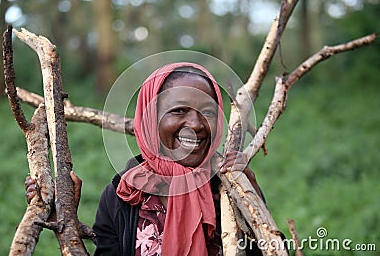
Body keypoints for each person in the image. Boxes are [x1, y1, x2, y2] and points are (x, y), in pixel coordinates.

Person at [26, 62, 264, 256]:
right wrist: (64, 221)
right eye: (179, 110)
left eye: (209, 112)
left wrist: (252, 199)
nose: (196, 125)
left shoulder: (228, 185)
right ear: (150, 119)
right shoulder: (123, 193)